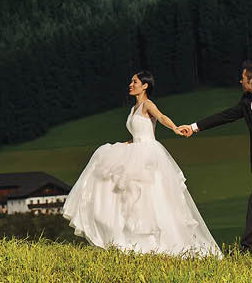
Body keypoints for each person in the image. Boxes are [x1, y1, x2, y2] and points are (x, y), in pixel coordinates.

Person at [62, 71, 223, 257]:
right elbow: (137, 133)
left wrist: (175, 128)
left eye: (135, 81)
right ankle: (128, 239)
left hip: (148, 155)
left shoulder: (147, 104)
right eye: (131, 81)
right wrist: (124, 145)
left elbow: (161, 117)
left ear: (145, 85)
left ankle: (160, 242)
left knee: (151, 198)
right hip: (135, 150)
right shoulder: (133, 109)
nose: (131, 84)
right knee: (124, 194)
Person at [178, 60, 252, 258]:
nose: (240, 81)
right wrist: (194, 127)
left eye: (243, 78)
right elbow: (226, 116)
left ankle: (247, 250)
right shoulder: (246, 101)